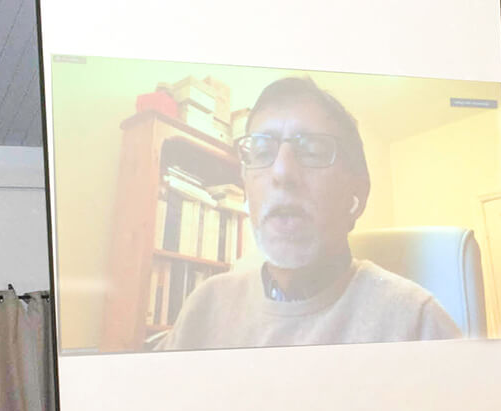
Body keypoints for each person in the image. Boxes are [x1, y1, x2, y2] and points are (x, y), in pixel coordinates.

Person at [157, 77, 460, 351]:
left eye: (313, 150)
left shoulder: (416, 323)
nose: (282, 171)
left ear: (357, 195)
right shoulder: (204, 307)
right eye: (262, 153)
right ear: (246, 189)